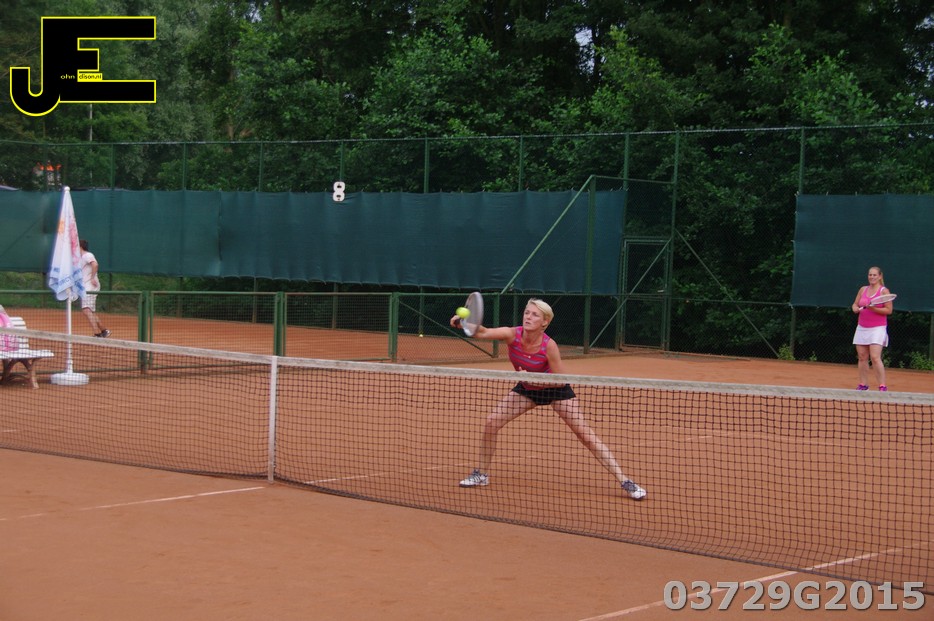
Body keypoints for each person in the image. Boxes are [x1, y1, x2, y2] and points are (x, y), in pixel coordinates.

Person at [451, 298, 646, 500]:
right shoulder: (512, 334)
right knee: (491, 422)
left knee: (586, 436)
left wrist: (534, 380)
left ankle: (625, 480)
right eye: (527, 312)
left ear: (545, 322)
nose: (528, 317)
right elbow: (482, 332)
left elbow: (560, 380)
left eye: (535, 315)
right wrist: (464, 323)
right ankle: (481, 474)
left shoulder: (549, 346)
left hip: (555, 390)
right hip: (528, 389)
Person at [851, 266, 892, 391]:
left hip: (878, 328)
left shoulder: (884, 291)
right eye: (870, 275)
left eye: (874, 275)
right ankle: (863, 384)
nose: (872, 277)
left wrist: (873, 308)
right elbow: (855, 304)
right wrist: (855, 308)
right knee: (862, 357)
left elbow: (888, 310)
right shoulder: (863, 289)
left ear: (880, 276)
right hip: (862, 327)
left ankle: (882, 385)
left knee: (875, 357)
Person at [78, 239, 110, 338]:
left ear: (80, 246)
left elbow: (95, 264)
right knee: (89, 311)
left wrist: (92, 278)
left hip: (91, 285)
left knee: (86, 309)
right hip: (86, 286)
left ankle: (97, 333)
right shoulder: (80, 258)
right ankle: (104, 331)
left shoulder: (88, 255)